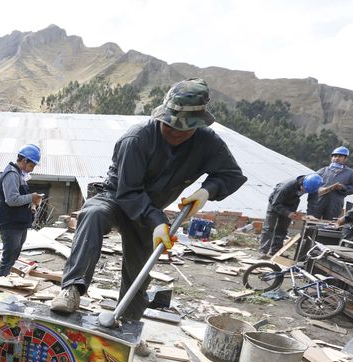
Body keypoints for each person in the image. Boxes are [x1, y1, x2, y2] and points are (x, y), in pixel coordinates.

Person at [50, 78, 247, 317]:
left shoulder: (207, 142)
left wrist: (207, 191)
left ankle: (128, 320)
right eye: (170, 125)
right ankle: (72, 289)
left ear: (197, 124)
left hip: (150, 209)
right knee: (92, 214)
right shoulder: (136, 139)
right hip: (115, 197)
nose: (175, 132)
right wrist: (157, 221)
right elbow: (129, 192)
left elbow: (232, 174)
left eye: (184, 129)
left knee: (139, 269)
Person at [0, 144, 43, 276]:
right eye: (31, 166)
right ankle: (1, 285)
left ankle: (7, 281)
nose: (31, 169)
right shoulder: (11, 174)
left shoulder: (20, 175)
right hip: (11, 223)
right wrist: (31, 197)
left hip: (19, 222)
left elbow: (21, 198)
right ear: (24, 161)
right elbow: (11, 200)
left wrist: (32, 204)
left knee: (14, 255)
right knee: (9, 257)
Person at [257, 174, 325, 258]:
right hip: (275, 203)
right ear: (302, 183)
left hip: (291, 204)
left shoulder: (312, 187)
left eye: (307, 191)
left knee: (282, 229)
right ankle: (262, 252)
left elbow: (312, 202)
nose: (304, 191)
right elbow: (275, 203)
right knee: (269, 228)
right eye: (304, 189)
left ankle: (275, 252)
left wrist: (310, 214)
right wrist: (288, 213)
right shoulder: (286, 186)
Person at [306, 146, 353, 220]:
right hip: (318, 201)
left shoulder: (351, 173)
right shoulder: (322, 171)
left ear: (345, 158)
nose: (336, 158)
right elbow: (309, 183)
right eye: (335, 156)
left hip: (335, 203)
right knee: (311, 223)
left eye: (340, 156)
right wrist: (320, 189)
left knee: (329, 225)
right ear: (331, 158)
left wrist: (343, 188)